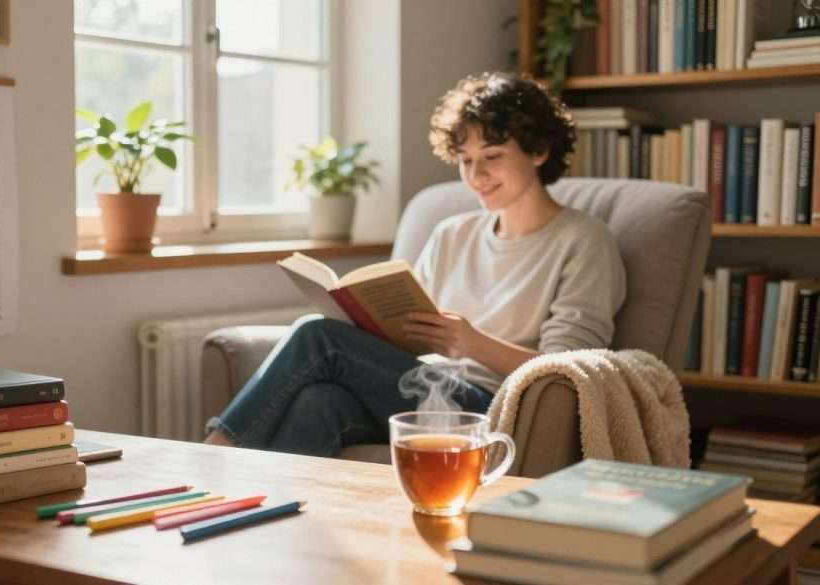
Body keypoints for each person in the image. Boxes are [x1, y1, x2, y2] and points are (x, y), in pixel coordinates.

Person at [204, 72, 626, 456]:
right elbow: (406, 333)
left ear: (539, 150)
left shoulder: (584, 242)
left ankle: (214, 454)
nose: (476, 175)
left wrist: (471, 343)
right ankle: (267, 519)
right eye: (465, 160)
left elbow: (571, 371)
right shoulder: (451, 233)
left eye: (492, 156)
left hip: (489, 407)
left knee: (316, 336)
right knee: (320, 403)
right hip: (424, 388)